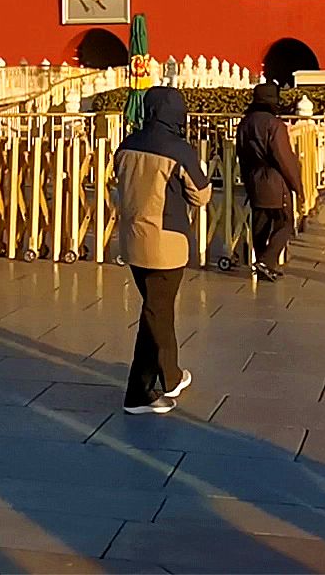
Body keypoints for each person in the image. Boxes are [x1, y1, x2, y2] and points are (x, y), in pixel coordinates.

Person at [114, 87, 211, 414]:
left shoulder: (126, 145)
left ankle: (152, 384)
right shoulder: (178, 149)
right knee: (158, 312)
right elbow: (201, 195)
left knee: (154, 310)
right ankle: (158, 383)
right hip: (166, 240)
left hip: (132, 238)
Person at [237, 81, 304, 281]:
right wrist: (297, 187)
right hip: (274, 180)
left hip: (253, 178)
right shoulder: (274, 125)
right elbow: (284, 159)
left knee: (260, 224)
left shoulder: (245, 123)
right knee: (285, 223)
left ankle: (262, 261)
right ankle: (267, 261)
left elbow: (240, 154)